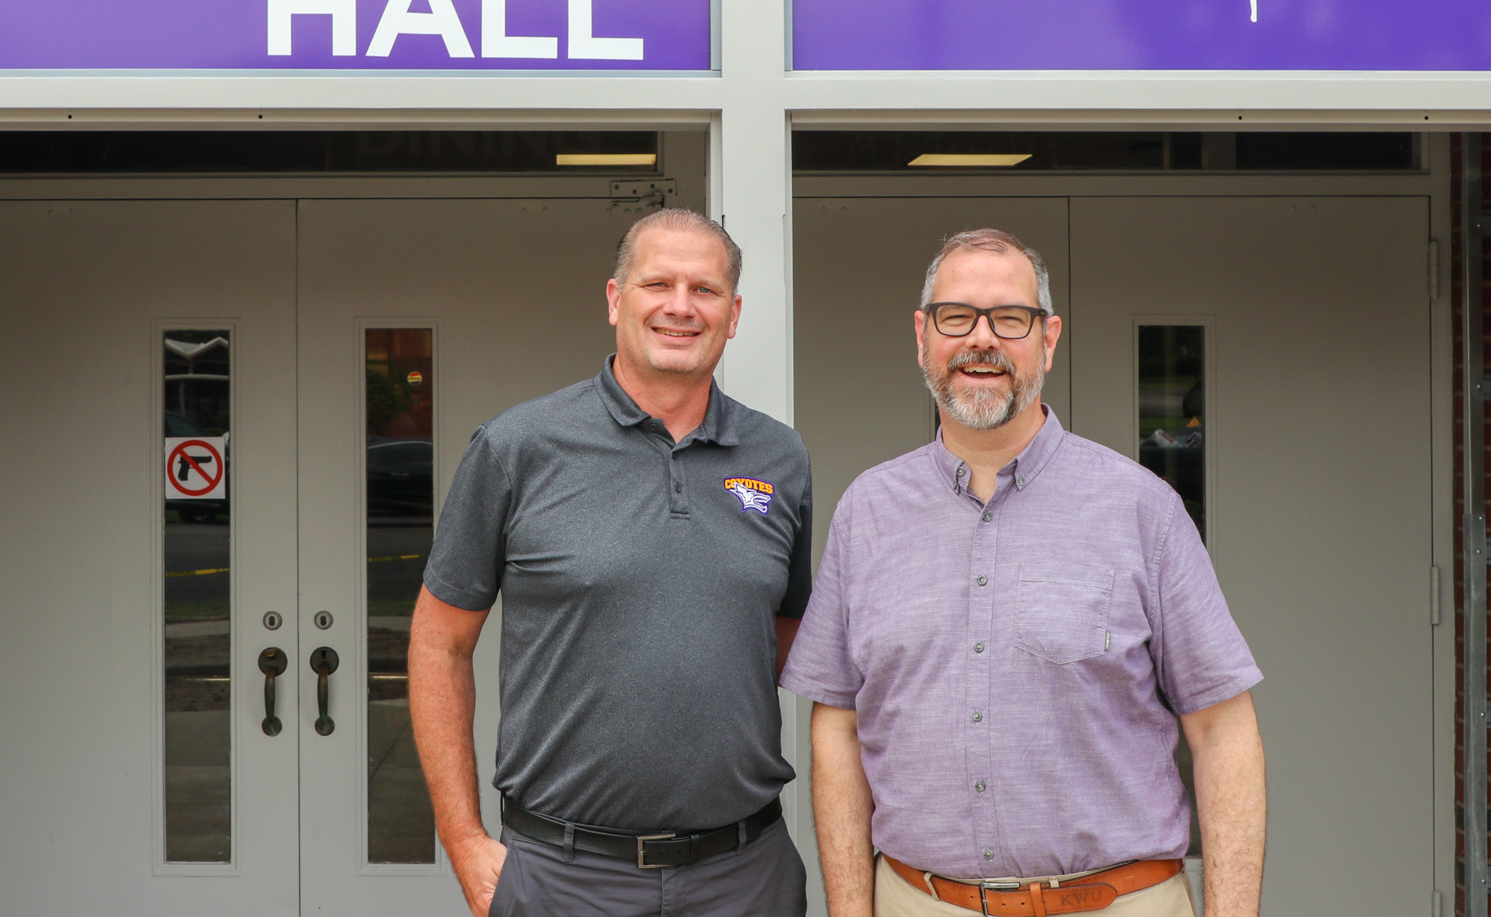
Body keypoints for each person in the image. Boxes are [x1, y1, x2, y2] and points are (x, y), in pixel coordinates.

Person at [781, 228, 1266, 917]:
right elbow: (836, 724)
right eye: (957, 316)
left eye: (1010, 317)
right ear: (923, 335)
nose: (982, 339)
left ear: (1049, 337)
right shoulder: (867, 511)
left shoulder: (1142, 509)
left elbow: (1223, 731)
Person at [410, 207, 814, 917]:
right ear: (614, 298)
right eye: (658, 282)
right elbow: (439, 643)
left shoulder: (780, 458)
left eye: (705, 289)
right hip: (564, 877)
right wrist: (464, 840)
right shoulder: (518, 448)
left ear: (735, 311)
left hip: (743, 876)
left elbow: (786, 639)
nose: (681, 306)